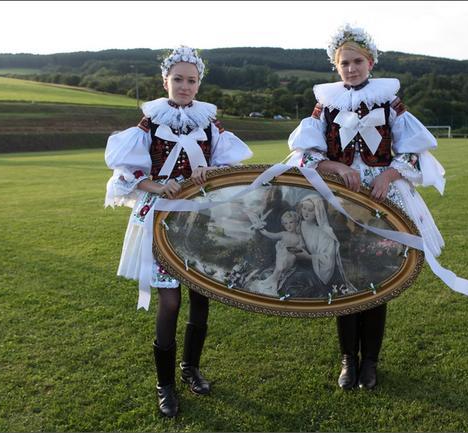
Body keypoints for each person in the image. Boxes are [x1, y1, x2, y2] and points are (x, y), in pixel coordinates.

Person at [287, 24, 446, 390]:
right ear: (336, 66)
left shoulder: (390, 102)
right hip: (340, 200)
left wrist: (388, 177)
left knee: (377, 277)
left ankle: (370, 362)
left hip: (381, 200)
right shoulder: (325, 104)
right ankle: (348, 359)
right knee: (344, 278)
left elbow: (412, 151)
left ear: (370, 62)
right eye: (344, 63)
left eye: (358, 61)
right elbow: (306, 155)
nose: (352, 68)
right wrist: (339, 167)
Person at [104, 46, 252, 417]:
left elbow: (226, 164)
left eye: (192, 80)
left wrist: (209, 173)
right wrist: (156, 186)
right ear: (165, 81)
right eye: (178, 80)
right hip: (162, 220)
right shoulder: (150, 122)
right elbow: (125, 173)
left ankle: (190, 369)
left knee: (202, 297)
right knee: (169, 302)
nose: (185, 86)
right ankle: (164, 384)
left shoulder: (209, 122)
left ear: (199, 83)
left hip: (201, 218)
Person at [255, 210, 305, 294]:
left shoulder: (299, 237)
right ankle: (273, 281)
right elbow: (272, 235)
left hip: (290, 258)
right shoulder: (283, 234)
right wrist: (265, 232)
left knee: (289, 255)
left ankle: (273, 280)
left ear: (296, 222)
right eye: (285, 223)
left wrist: (290, 249)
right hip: (281, 256)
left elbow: (301, 249)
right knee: (281, 252)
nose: (288, 225)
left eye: (291, 222)